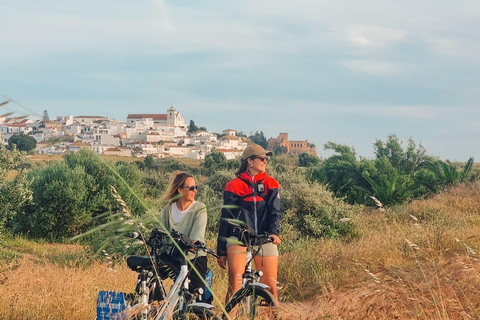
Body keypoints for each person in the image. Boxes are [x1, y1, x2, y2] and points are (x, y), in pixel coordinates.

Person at [216, 144, 282, 301]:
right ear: (250, 162)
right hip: (238, 237)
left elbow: (275, 212)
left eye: (266, 159)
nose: (265, 161)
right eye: (262, 158)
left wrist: (274, 233)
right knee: (235, 285)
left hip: (264, 236)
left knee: (271, 289)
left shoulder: (271, 183)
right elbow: (226, 218)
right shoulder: (233, 185)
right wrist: (221, 250)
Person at [159, 171, 208, 301]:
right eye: (192, 188)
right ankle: (156, 305)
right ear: (180, 190)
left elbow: (197, 236)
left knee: (196, 296)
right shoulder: (168, 209)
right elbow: (162, 233)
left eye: (196, 187)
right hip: (172, 256)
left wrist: (192, 243)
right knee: (151, 272)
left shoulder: (199, 209)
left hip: (193, 257)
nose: (195, 191)